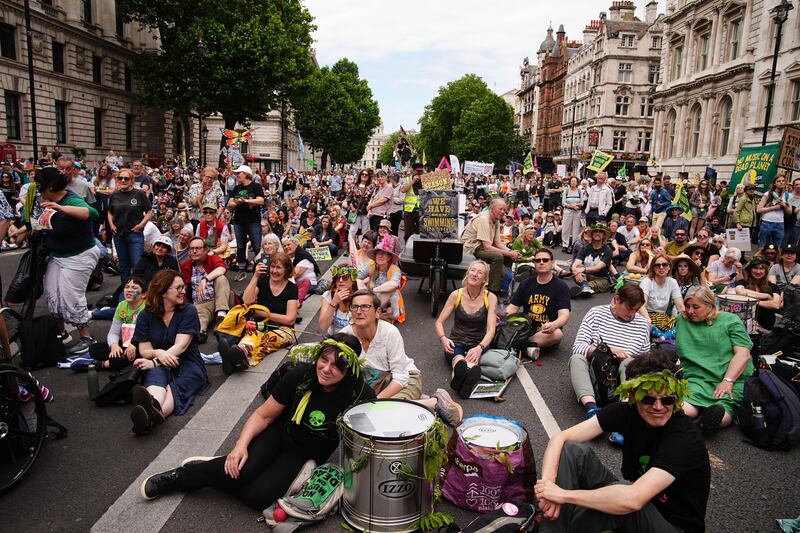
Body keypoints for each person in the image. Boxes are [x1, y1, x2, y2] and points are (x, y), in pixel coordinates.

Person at [140, 333, 374, 507]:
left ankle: (214, 469)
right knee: (242, 470)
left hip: (305, 455)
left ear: (349, 370)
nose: (325, 369)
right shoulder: (302, 374)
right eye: (324, 360)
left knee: (257, 498)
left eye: (336, 366)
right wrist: (240, 446)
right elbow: (263, 415)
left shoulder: (359, 394)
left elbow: (368, 441)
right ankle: (180, 477)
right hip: (280, 433)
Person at [535, 349, 710, 533]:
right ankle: (553, 526)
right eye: (649, 399)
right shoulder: (626, 411)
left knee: (621, 502)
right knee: (572, 450)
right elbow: (560, 438)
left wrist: (563, 495)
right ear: (634, 396)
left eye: (667, 400)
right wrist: (549, 488)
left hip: (672, 525)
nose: (658, 407)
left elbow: (633, 499)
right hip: (639, 497)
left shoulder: (684, 438)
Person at [340, 290, 463, 426]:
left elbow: (400, 377)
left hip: (406, 379)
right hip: (374, 384)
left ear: (377, 312)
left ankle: (434, 403)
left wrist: (374, 402)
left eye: (365, 306)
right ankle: (422, 400)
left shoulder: (389, 332)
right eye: (355, 307)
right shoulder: (344, 336)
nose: (358, 311)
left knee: (382, 414)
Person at [129, 270, 208, 435]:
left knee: (176, 386)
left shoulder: (188, 311)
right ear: (163, 291)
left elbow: (181, 346)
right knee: (156, 376)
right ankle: (153, 408)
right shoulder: (145, 316)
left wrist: (155, 361)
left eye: (183, 287)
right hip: (159, 361)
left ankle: (151, 415)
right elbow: (144, 350)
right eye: (178, 288)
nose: (183, 291)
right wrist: (159, 353)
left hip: (187, 362)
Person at [37, 167, 102, 351]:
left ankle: (87, 337)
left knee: (71, 296)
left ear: (49, 187)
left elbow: (92, 214)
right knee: (52, 294)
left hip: (79, 255)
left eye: (40, 185)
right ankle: (61, 333)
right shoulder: (45, 200)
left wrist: (60, 208)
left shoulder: (70, 199)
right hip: (57, 255)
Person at [675, 286, 754, 434]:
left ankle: (706, 423)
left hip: (732, 377)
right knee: (686, 405)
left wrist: (727, 381)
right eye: (688, 306)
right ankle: (690, 419)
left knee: (725, 406)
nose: (690, 311)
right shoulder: (682, 319)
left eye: (696, 307)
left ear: (710, 305)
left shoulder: (730, 320)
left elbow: (743, 353)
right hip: (698, 378)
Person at [569, 283, 650, 418]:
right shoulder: (596, 313)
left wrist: (628, 359)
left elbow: (646, 359)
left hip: (623, 378)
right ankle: (591, 407)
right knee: (577, 359)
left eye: (636, 310)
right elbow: (578, 346)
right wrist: (607, 351)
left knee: (629, 363)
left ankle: (624, 409)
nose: (632, 314)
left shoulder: (642, 325)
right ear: (617, 299)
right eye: (629, 308)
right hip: (596, 373)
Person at [218, 252, 298, 374]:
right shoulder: (262, 281)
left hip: (284, 329)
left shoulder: (292, 288)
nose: (274, 271)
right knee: (252, 335)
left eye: (278, 268)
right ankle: (240, 355)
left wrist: (263, 314)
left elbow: (290, 319)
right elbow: (247, 300)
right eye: (272, 266)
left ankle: (236, 360)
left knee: (266, 339)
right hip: (260, 325)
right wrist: (255, 276)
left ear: (286, 270)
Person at [435, 260, 498, 399]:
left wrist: (479, 348)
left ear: (484, 279)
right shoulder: (456, 295)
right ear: (467, 273)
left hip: (479, 342)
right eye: (472, 270)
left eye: (479, 272)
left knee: (470, 361)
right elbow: (439, 322)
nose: (475, 274)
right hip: (457, 341)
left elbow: (491, 330)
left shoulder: (491, 298)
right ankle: (462, 381)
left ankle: (460, 383)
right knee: (459, 361)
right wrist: (443, 339)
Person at [506, 248, 571, 358]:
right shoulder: (525, 284)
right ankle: (527, 347)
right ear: (534, 264)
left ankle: (517, 344)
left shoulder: (561, 286)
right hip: (526, 327)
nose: (541, 262)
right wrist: (500, 319)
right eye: (538, 260)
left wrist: (554, 324)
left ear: (552, 263)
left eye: (545, 260)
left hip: (546, 331)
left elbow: (564, 315)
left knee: (558, 334)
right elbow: (512, 308)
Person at [460, 198, 521, 296]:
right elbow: (487, 247)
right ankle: (493, 290)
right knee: (498, 256)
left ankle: (503, 285)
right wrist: (509, 253)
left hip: (482, 246)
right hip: (471, 248)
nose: (503, 212)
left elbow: (498, 243)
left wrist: (512, 252)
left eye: (504, 210)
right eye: (500, 209)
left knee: (508, 256)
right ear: (491, 208)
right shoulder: (484, 219)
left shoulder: (496, 221)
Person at [84, 276, 147, 371]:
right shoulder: (122, 305)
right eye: (127, 287)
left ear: (144, 294)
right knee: (94, 349)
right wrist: (114, 346)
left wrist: (133, 344)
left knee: (124, 357)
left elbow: (149, 334)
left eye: (134, 288)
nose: (129, 290)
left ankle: (103, 364)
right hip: (126, 344)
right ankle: (116, 360)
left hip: (142, 345)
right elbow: (113, 332)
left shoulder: (147, 308)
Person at [179, 237, 231, 344]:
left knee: (221, 278)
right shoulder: (185, 266)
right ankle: (201, 333)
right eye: (192, 248)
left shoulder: (212, 259)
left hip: (220, 298)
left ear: (205, 250)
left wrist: (205, 279)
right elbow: (182, 285)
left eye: (198, 248)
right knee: (198, 319)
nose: (194, 251)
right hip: (201, 302)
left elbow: (222, 269)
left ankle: (221, 315)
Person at [109, 168, 153, 284]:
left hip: (135, 234)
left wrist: (141, 225)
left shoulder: (139, 194)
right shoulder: (115, 195)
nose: (123, 180)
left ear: (132, 180)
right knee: (123, 267)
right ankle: (125, 291)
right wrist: (111, 224)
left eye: (126, 178)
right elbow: (110, 211)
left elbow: (149, 212)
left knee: (137, 265)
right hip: (119, 235)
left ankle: (139, 290)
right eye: (120, 178)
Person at [357, 233, 406, 323]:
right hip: (372, 300)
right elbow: (357, 277)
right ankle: (375, 314)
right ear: (375, 257)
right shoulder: (371, 265)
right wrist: (363, 290)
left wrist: (373, 290)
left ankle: (373, 314)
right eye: (378, 254)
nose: (380, 256)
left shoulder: (395, 269)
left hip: (390, 304)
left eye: (383, 254)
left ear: (388, 257)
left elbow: (394, 284)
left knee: (389, 290)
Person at [227, 165, 265, 273]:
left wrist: (246, 201)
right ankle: (241, 268)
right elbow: (230, 202)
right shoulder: (237, 188)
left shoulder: (256, 186)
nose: (237, 175)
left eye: (239, 173)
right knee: (240, 246)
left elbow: (261, 201)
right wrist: (237, 202)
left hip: (253, 220)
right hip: (239, 220)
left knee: (257, 245)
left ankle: (261, 267)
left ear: (246, 174)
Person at [732, 257, 781, 332]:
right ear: (750, 270)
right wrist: (766, 296)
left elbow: (775, 305)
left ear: (765, 271)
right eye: (755, 268)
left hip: (765, 324)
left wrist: (753, 301)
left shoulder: (773, 286)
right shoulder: (743, 282)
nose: (758, 271)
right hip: (744, 322)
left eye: (761, 269)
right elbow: (740, 292)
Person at [638, 253, 685, 326]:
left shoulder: (672, 282)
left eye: (664, 265)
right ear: (653, 268)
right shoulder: (647, 282)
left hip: (662, 318)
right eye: (657, 265)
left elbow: (680, 306)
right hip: (646, 316)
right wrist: (648, 322)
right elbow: (641, 305)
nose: (661, 267)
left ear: (669, 267)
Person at [571, 224, 613, 298]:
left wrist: (581, 270)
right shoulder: (585, 248)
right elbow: (576, 262)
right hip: (586, 275)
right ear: (592, 234)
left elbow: (598, 268)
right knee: (577, 267)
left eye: (600, 232)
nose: (597, 233)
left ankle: (585, 287)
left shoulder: (608, 250)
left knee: (596, 284)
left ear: (603, 235)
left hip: (601, 278)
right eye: (595, 231)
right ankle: (585, 287)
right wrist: (574, 270)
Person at [319, 264, 357, 335]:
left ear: (353, 280)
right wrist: (334, 302)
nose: (341, 280)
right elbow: (323, 326)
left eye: (345, 277)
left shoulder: (360, 296)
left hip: (355, 339)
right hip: (334, 338)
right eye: (337, 277)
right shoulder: (328, 295)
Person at [282, 236, 320, 304]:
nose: (286, 247)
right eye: (284, 246)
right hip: (298, 283)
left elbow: (293, 274)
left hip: (309, 284)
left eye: (288, 244)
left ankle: (295, 304)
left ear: (296, 245)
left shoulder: (302, 256)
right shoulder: (293, 256)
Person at [756, 174, 790, 249]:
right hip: (767, 223)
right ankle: (762, 260)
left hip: (780, 224)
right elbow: (759, 210)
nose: (781, 182)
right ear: (774, 183)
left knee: (777, 247)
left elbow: (789, 212)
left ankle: (775, 261)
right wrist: (773, 207)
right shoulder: (768, 194)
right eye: (779, 181)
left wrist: (784, 205)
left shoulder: (787, 195)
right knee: (764, 246)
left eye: (783, 181)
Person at [401, 163, 424, 241]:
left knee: (420, 233)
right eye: (418, 171)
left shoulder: (425, 180)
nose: (420, 173)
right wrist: (413, 181)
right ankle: (407, 248)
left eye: (421, 171)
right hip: (409, 211)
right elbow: (403, 189)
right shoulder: (407, 179)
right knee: (408, 233)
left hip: (421, 211)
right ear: (413, 171)